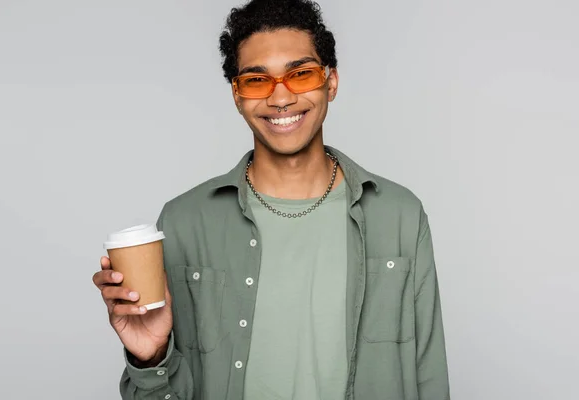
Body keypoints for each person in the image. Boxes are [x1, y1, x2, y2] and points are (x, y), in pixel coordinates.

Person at [92, 0, 450, 398]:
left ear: (330, 82)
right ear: (237, 94)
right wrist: (150, 357)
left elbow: (428, 376)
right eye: (257, 80)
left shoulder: (399, 215)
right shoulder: (183, 222)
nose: (281, 98)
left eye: (300, 74)